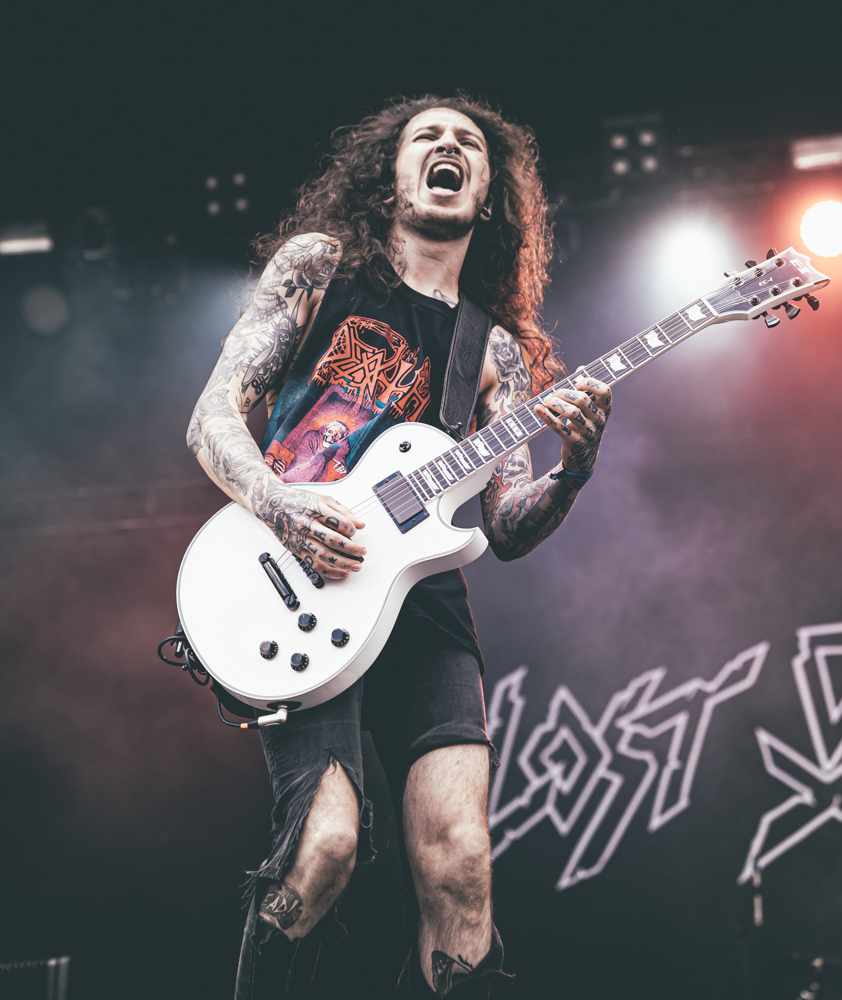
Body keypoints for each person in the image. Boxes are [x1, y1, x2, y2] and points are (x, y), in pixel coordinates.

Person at [185, 94, 612, 998]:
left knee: (462, 865)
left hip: (424, 608)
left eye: (469, 143)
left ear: (489, 195)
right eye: (429, 135)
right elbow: (213, 415)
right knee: (325, 848)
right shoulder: (320, 267)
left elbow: (506, 525)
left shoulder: (492, 351)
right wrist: (280, 505)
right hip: (302, 574)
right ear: (392, 172)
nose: (449, 145)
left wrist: (574, 467)